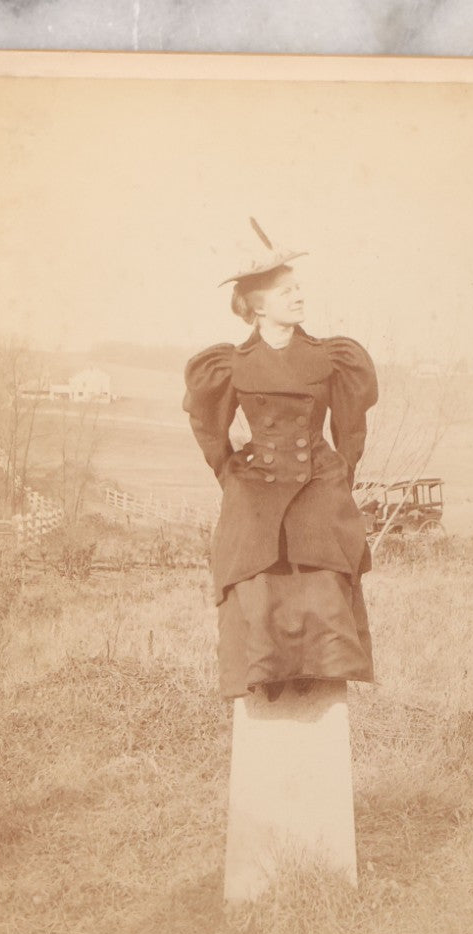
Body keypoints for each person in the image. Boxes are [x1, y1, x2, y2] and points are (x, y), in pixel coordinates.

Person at [183, 220, 378, 701]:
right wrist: (232, 474)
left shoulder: (332, 356)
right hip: (257, 485)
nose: (298, 297)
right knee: (251, 557)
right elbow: (210, 428)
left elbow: (350, 429)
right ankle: (265, 671)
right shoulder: (230, 363)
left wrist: (336, 477)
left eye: (299, 289)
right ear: (257, 305)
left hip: (318, 481)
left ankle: (321, 668)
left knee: (325, 559)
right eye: (286, 291)